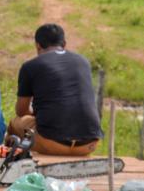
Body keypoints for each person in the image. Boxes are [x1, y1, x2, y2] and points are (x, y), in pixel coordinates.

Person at [9, 23, 102, 156]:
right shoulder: (83, 62)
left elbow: (21, 110)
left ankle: (8, 169)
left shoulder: (31, 66)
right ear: (64, 43)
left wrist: (39, 113)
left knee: (16, 123)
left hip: (52, 143)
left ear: (38, 45)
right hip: (89, 144)